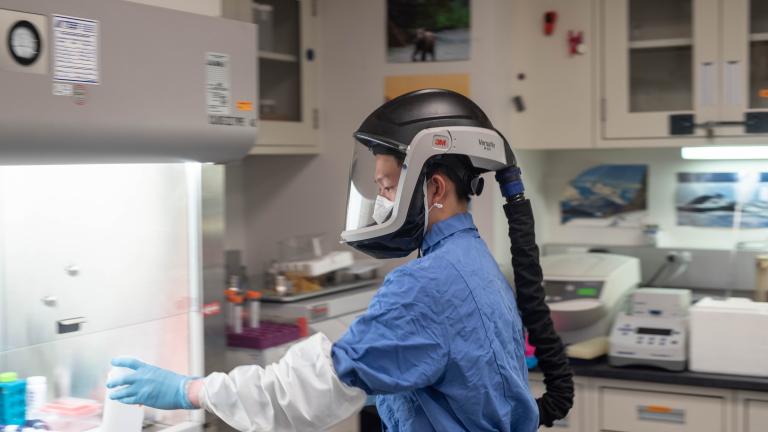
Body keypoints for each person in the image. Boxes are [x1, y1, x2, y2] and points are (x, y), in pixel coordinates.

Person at [106, 89, 539, 432]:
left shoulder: (428, 284)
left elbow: (305, 392)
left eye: (387, 187)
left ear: (436, 190)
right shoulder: (475, 264)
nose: (382, 200)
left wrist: (190, 390)